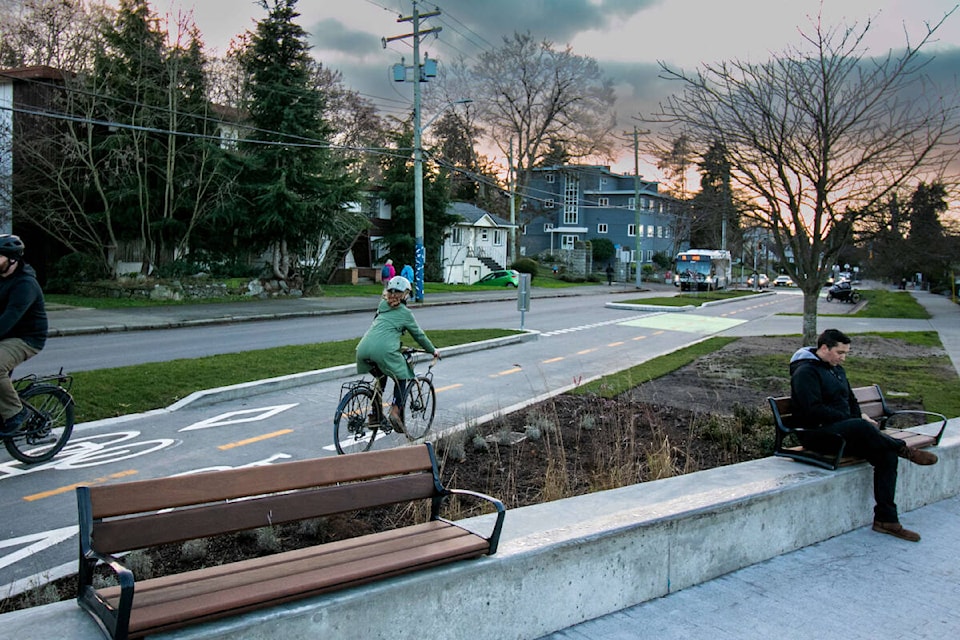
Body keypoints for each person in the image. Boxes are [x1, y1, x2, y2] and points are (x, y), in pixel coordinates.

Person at [790, 329, 937, 542]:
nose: (843, 357)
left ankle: (886, 521)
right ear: (824, 348)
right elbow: (812, 410)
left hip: (842, 431)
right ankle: (902, 448)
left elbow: (851, 401)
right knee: (862, 427)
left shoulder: (836, 370)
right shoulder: (805, 372)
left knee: (886, 456)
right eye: (840, 352)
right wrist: (851, 420)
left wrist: (859, 417)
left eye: (846, 353)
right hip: (817, 434)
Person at [356, 275, 439, 432]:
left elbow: (382, 330)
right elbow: (419, 335)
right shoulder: (405, 313)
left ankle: (375, 415)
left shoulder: (382, 306)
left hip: (363, 349)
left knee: (381, 376)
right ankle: (395, 411)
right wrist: (432, 350)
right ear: (405, 295)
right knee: (402, 375)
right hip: (385, 351)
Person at [0, 234, 47, 432]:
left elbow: (8, 319)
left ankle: (15, 413)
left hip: (26, 338)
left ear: (12, 259)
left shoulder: (25, 285)